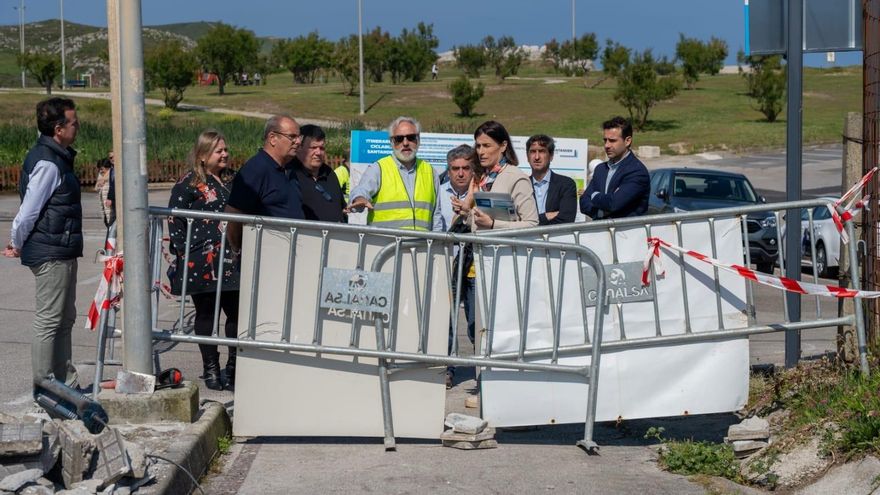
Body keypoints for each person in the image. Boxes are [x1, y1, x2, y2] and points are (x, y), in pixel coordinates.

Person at [4, 97, 82, 389]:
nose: (78, 127)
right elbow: (28, 212)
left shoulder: (56, 156)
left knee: (64, 319)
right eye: (74, 123)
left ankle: (66, 384)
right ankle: (45, 386)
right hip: (51, 252)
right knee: (50, 320)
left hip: (60, 249)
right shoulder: (48, 163)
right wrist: (17, 242)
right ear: (58, 129)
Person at [168, 130, 240, 390]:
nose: (225, 154)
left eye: (225, 150)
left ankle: (233, 367)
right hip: (202, 262)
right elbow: (174, 219)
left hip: (232, 258)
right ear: (202, 156)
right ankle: (211, 368)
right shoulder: (188, 184)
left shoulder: (232, 180)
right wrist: (185, 252)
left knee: (235, 314)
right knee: (207, 315)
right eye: (218, 151)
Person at [225, 114, 304, 251]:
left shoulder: (290, 170)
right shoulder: (256, 169)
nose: (298, 142)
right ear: (273, 138)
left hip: (291, 254)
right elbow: (234, 214)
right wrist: (239, 249)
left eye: (299, 137)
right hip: (265, 257)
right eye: (292, 137)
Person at [348, 116, 442, 231]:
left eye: (411, 137)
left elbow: (436, 216)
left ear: (418, 140)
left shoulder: (431, 172)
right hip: (385, 246)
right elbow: (361, 189)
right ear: (392, 142)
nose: (405, 143)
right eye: (399, 139)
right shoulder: (378, 168)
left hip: (420, 247)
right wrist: (359, 198)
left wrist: (438, 245)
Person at [436, 145, 478, 389]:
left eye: (465, 168)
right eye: (455, 169)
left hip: (474, 268)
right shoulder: (439, 192)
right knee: (448, 320)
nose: (461, 173)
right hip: (448, 263)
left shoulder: (482, 191)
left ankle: (482, 369)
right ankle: (448, 369)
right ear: (448, 170)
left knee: (475, 320)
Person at [468, 120, 539, 230]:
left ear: (503, 146)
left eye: (486, 146)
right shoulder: (482, 178)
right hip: (480, 246)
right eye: (478, 146)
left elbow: (532, 224)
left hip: (506, 247)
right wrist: (466, 214)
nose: (480, 152)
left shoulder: (516, 177)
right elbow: (481, 224)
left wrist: (493, 225)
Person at [579, 116, 650, 219]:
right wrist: (601, 212)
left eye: (612, 140)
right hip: (600, 232)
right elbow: (584, 204)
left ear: (627, 141)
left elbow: (613, 203)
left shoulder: (637, 171)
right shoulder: (600, 169)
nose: (607, 145)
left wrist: (593, 195)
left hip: (627, 233)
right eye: (605, 140)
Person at [290, 124, 346, 222]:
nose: (318, 152)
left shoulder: (329, 173)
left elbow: (341, 207)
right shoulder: (289, 174)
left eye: (322, 148)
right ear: (299, 148)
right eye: (313, 147)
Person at [526, 134, 577, 225]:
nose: (537, 157)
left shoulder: (566, 184)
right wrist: (545, 217)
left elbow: (567, 220)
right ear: (527, 157)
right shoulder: (521, 185)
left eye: (542, 151)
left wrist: (530, 222)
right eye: (533, 152)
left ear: (551, 156)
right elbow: (514, 221)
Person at [94, 158, 115, 228]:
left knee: (111, 225)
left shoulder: (112, 176)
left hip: (111, 207)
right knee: (108, 223)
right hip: (105, 208)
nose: (101, 171)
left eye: (102, 169)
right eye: (100, 169)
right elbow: (96, 188)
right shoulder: (101, 176)